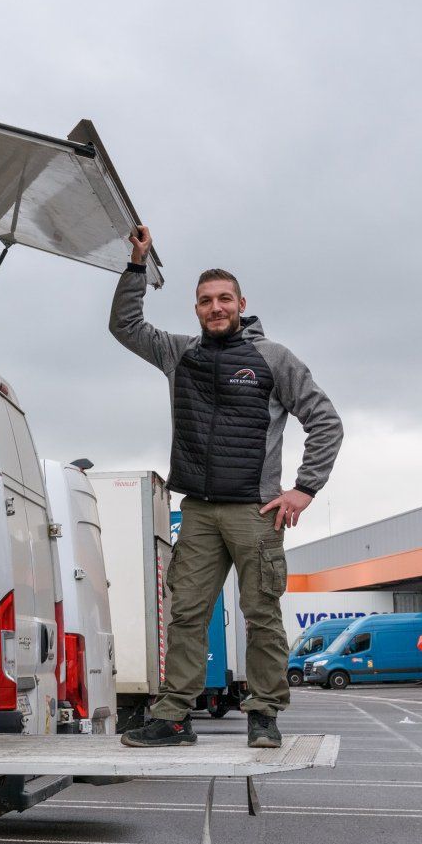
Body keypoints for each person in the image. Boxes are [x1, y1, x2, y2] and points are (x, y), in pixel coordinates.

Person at [110, 225, 342, 749]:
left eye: (224, 299)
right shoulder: (180, 354)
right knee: (187, 611)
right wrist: (137, 264)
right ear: (195, 308)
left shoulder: (274, 359)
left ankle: (263, 714)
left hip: (256, 513)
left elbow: (325, 421)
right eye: (205, 301)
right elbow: (124, 325)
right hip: (198, 510)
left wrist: (304, 489)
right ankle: (172, 718)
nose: (215, 308)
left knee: (260, 614)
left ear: (241, 303)